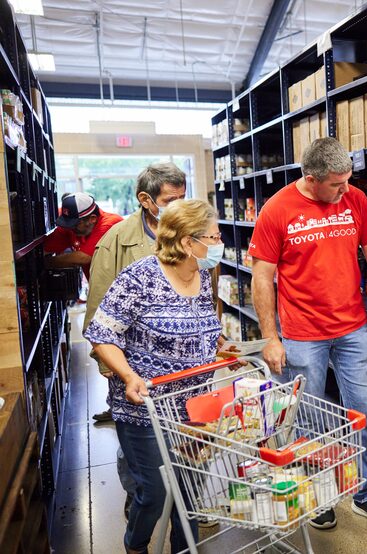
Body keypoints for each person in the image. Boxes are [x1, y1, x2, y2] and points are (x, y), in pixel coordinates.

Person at [250, 137, 367, 530]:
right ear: (312, 178)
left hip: (352, 328)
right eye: (336, 184)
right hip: (302, 333)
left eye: (347, 181)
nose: (345, 190)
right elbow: (262, 278)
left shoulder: (356, 201)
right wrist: (270, 336)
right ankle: (318, 494)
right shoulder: (277, 210)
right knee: (308, 418)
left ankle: (365, 494)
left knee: (364, 412)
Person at [84, 199, 227, 554]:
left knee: (189, 489)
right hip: (145, 406)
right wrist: (129, 376)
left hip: (194, 409)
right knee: (156, 492)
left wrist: (222, 347)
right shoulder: (140, 278)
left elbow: (201, 328)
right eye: (213, 236)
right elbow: (101, 335)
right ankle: (136, 545)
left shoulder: (202, 275)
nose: (219, 242)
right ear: (185, 242)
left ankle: (184, 548)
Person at [82, 163, 188, 519]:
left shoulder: (188, 231)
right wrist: (109, 365)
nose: (178, 205)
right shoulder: (116, 241)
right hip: (133, 364)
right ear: (145, 200)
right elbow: (98, 309)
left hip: (181, 365)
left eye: (182, 197)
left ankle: (182, 504)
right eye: (170, 199)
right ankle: (138, 499)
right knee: (136, 442)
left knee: (183, 439)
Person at [44, 191, 123, 278]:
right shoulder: (74, 228)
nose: (71, 228)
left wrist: (45, 263)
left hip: (121, 286)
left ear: (92, 219)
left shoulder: (110, 223)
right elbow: (45, 247)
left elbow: (84, 258)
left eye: (75, 224)